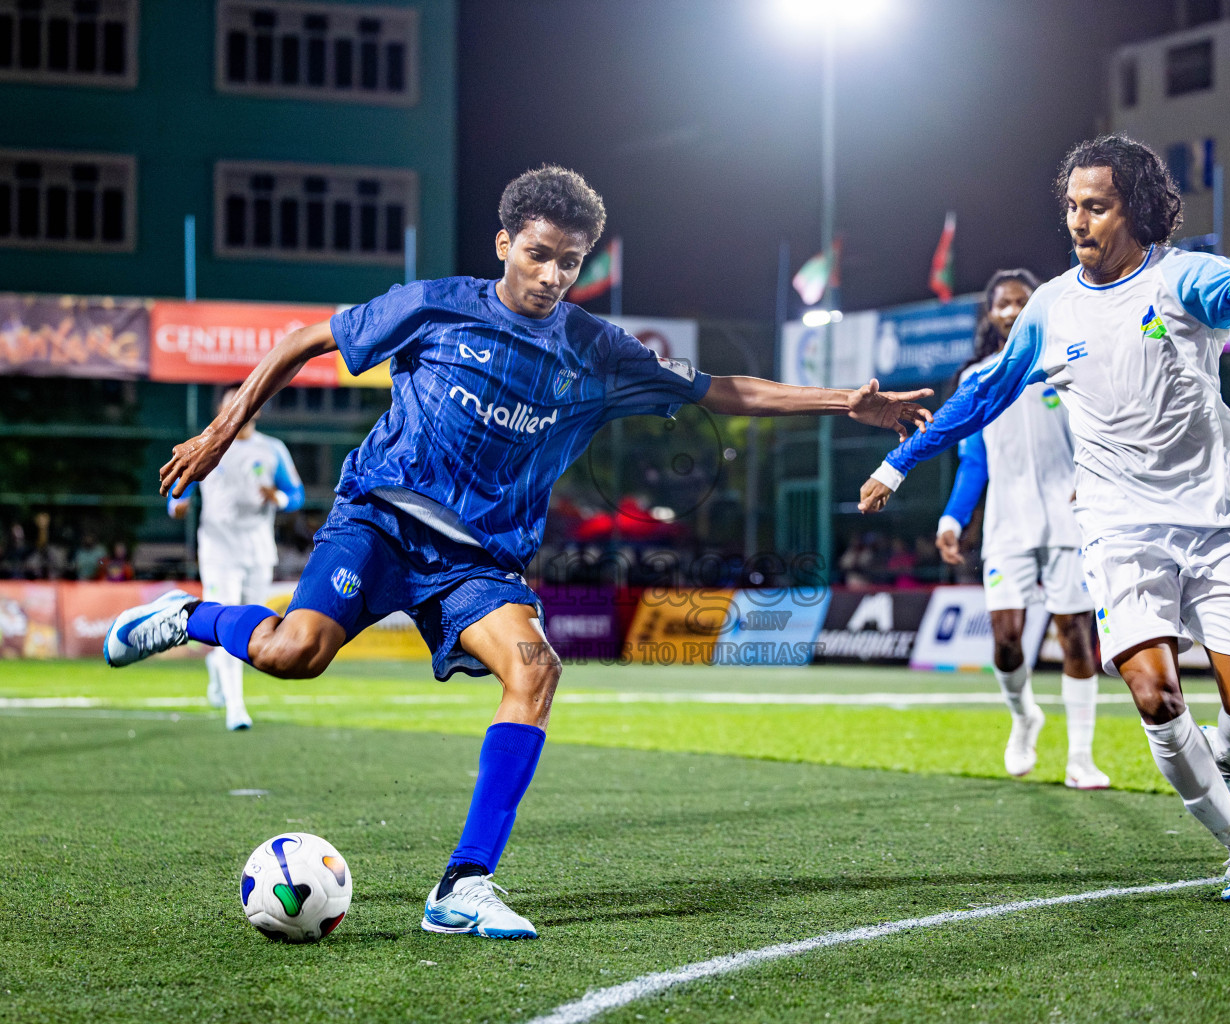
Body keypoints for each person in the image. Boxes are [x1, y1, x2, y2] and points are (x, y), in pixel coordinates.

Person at [103, 165, 932, 940]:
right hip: (382, 518)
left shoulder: (597, 350)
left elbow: (721, 388)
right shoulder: (434, 304)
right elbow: (302, 342)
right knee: (293, 654)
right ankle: (189, 616)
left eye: (570, 263)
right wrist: (218, 433)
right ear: (504, 245)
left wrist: (844, 403)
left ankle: (462, 886)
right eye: (538, 255)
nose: (552, 276)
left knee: (535, 669)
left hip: (479, 561)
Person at [857, 134, 1230, 901]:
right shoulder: (1052, 308)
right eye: (1070, 206)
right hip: (1117, 526)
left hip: (1215, 520)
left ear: (1135, 208)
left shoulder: (1184, 278)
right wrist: (898, 464)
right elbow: (982, 397)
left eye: (1096, 206)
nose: (1078, 222)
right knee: (1157, 698)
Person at [931, 268, 1108, 790]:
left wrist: (1092, 478)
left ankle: (1081, 757)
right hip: (1006, 526)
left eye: (1021, 302)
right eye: (1003, 303)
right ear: (990, 314)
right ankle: (1025, 715)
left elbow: (1099, 433)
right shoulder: (975, 379)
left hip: (1068, 520)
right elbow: (973, 462)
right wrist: (952, 519)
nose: (1011, 310)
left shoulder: (1066, 361)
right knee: (1006, 642)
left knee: (1075, 635)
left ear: (1037, 307)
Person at [166, 387, 305, 731]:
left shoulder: (272, 449)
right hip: (218, 549)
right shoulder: (206, 445)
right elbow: (177, 492)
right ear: (221, 409)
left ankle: (217, 668)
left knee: (250, 625)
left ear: (254, 408)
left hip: (258, 550)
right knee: (230, 618)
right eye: (231, 403)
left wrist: (280, 499)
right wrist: (176, 507)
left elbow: (297, 494)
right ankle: (236, 706)